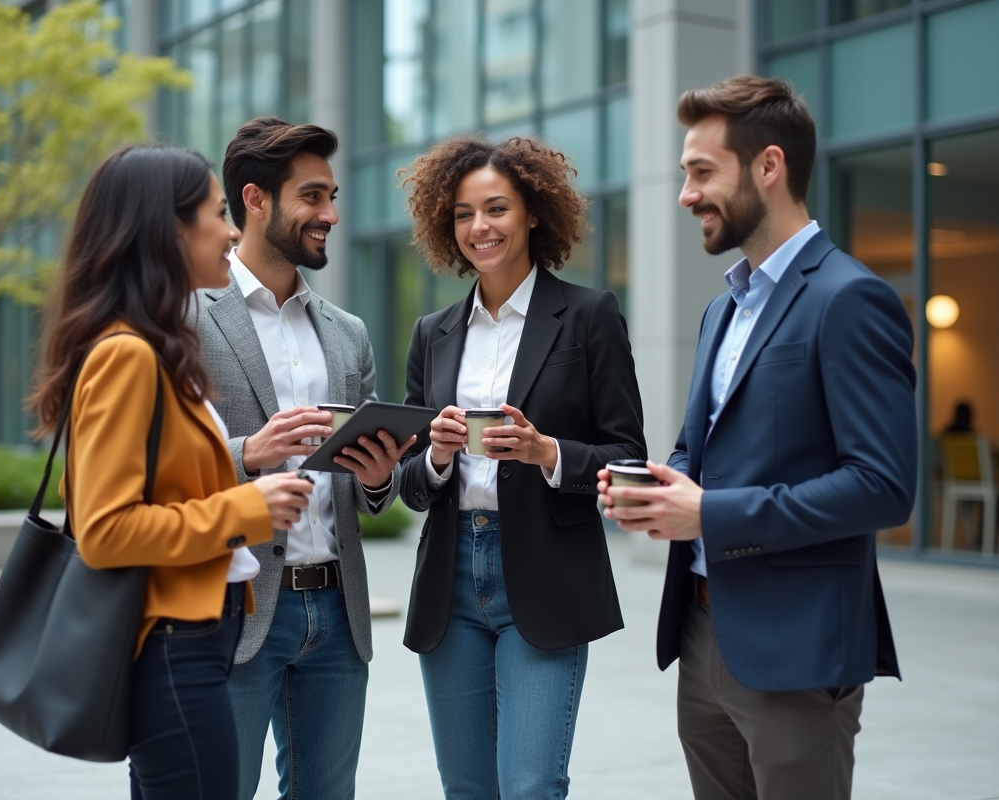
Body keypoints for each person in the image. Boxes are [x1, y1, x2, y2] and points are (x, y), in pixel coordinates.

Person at [598, 76, 916, 800]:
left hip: (797, 651)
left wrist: (708, 513)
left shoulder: (850, 298)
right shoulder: (723, 308)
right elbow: (696, 451)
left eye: (701, 172)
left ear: (768, 166)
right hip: (702, 632)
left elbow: (883, 486)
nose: (686, 194)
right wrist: (653, 488)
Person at [28, 145, 315, 800]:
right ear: (168, 227)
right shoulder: (127, 355)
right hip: (171, 646)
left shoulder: (154, 349)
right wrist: (248, 509)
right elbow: (105, 531)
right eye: (218, 212)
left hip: (192, 639)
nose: (234, 231)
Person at [397, 136, 647, 800]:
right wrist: (440, 457)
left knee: (532, 785)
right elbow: (410, 485)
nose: (479, 227)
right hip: (451, 581)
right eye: (462, 214)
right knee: (467, 789)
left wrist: (550, 453)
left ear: (533, 212)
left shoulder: (590, 317)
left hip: (543, 576)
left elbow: (628, 459)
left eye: (497, 208)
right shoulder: (433, 333)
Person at [190, 117, 412, 800]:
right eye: (312, 197)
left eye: (332, 196)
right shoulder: (187, 315)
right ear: (256, 200)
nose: (331, 215)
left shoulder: (348, 335)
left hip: (338, 614)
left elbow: (377, 488)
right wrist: (248, 454)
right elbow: (156, 454)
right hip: (237, 603)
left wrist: (381, 478)